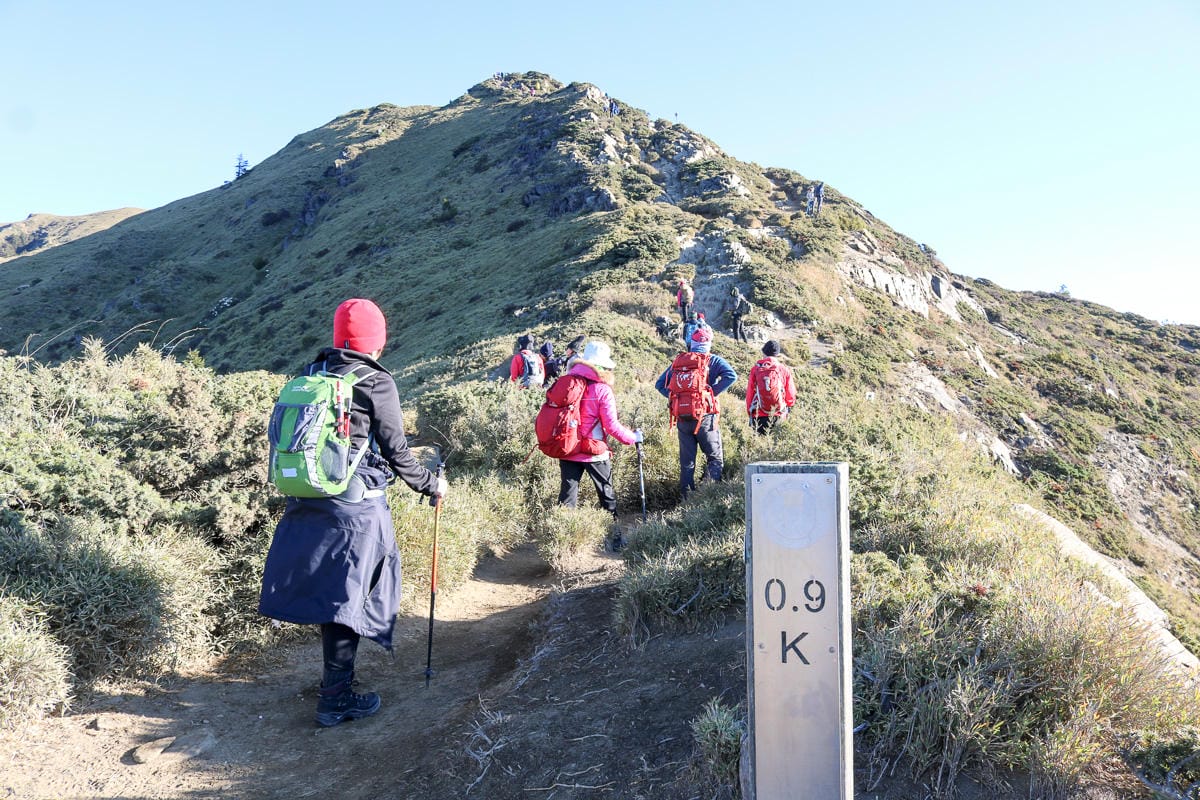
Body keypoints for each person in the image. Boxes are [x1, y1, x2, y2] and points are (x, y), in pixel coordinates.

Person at [259, 298, 448, 728]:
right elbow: (397, 451)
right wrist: (431, 485)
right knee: (350, 597)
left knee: (332, 592)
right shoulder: (376, 382)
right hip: (355, 508)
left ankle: (333, 683)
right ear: (376, 342)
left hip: (307, 497)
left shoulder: (313, 373)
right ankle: (335, 698)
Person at [556, 341, 642, 520]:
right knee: (606, 495)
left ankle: (563, 538)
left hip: (568, 448)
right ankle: (614, 537)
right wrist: (633, 437)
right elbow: (611, 426)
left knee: (567, 498)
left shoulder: (567, 384)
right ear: (603, 367)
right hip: (593, 451)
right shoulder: (602, 390)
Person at [655, 326, 737, 500]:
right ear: (708, 344)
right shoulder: (713, 360)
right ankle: (708, 498)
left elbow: (659, 384)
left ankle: (686, 500)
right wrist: (710, 393)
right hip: (706, 417)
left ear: (691, 343)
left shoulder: (679, 362)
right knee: (714, 459)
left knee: (687, 463)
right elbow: (731, 376)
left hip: (683, 418)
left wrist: (676, 398)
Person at [746, 340, 796, 434]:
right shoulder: (783, 369)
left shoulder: (756, 369)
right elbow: (791, 396)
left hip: (758, 415)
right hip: (779, 414)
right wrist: (787, 408)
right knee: (775, 446)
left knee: (758, 445)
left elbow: (750, 394)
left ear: (764, 352)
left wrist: (750, 412)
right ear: (777, 354)